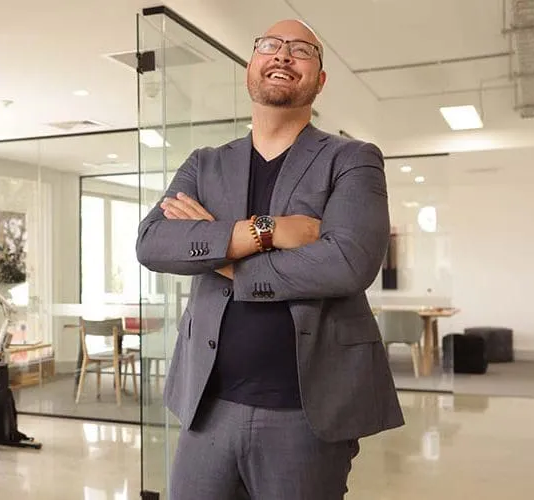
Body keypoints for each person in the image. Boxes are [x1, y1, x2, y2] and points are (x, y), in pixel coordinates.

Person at [135, 19, 404, 500]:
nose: (282, 55)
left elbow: (348, 262)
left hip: (306, 414)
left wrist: (218, 252)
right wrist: (267, 231)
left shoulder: (352, 158)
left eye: (301, 49)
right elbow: (153, 242)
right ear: (250, 69)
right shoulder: (205, 163)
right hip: (207, 406)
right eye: (270, 45)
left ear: (319, 80)